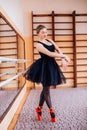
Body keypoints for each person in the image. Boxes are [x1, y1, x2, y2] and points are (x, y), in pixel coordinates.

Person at [23, 25, 71, 122]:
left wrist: (63, 60)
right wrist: (64, 56)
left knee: (46, 89)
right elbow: (50, 54)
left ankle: (39, 109)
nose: (45, 34)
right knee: (47, 90)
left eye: (45, 32)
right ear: (38, 34)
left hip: (52, 66)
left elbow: (58, 49)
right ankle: (51, 112)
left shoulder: (50, 41)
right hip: (43, 68)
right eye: (42, 32)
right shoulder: (38, 45)